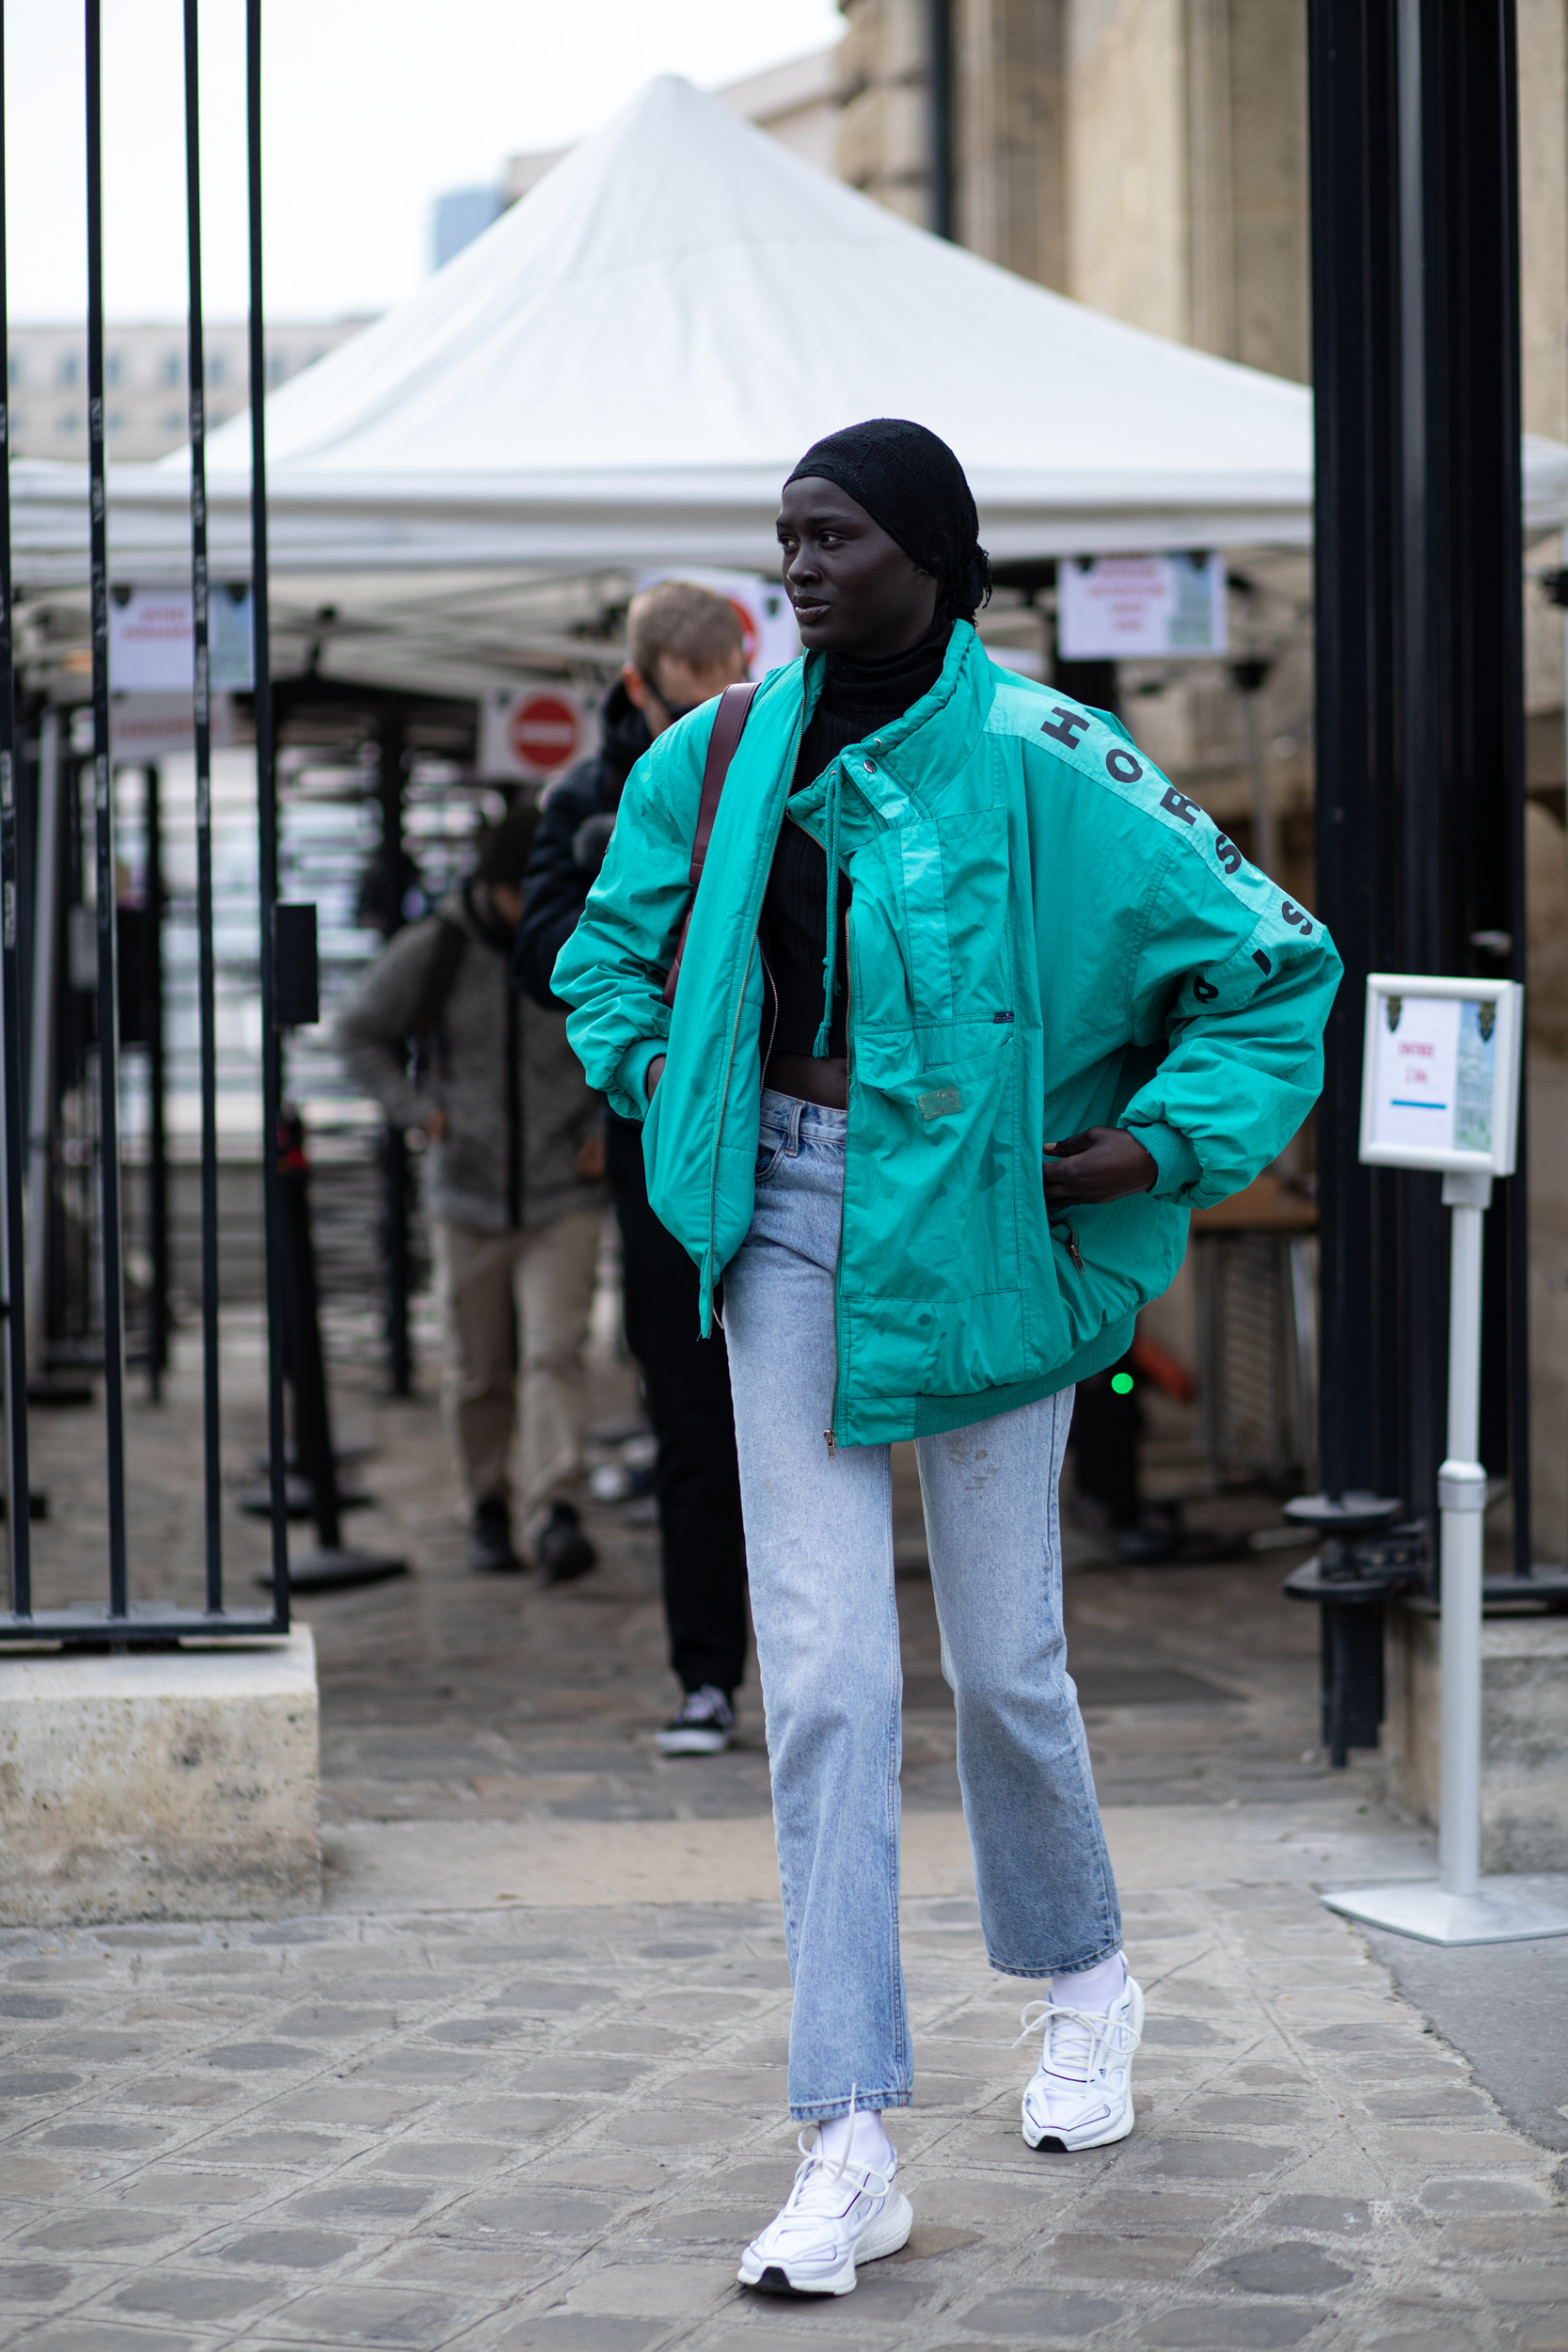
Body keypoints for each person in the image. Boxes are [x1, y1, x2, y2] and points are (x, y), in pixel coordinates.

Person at [552, 420, 1340, 2297]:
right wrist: (673, 1095)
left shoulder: (1050, 756)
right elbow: (605, 957)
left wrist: (1150, 1144)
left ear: (928, 549)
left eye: (829, 536)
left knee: (1003, 1658)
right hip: (783, 1223)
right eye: (780, 539)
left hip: (987, 1229)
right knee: (820, 1677)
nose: (797, 570)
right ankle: (845, 2131)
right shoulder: (717, 748)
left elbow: (1270, 961)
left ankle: (1083, 1979)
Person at [516, 580, 752, 1754]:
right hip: (662, 1134)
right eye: (692, 704)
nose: (719, 721)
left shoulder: (797, 754)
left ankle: (826, 1665)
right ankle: (706, 1672)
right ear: (639, 688)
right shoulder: (589, 795)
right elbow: (544, 952)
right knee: (693, 1414)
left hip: (799, 1121)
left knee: (833, 1407)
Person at [338, 800, 607, 1581]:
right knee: (479, 1366)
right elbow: (356, 1031)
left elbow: (626, 1028)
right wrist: (421, 1113)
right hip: (468, 1197)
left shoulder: (579, 941)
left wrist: (601, 1117)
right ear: (491, 886)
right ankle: (486, 1502)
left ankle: (555, 1507)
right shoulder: (439, 949)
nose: (530, 909)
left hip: (565, 1192)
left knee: (556, 1353)